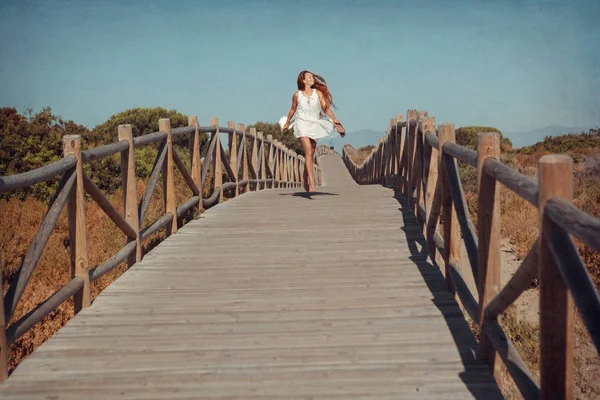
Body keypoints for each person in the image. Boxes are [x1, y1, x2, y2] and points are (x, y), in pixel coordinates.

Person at [281, 70, 345, 192]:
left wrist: (335, 120)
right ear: (303, 81)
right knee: (308, 151)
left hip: (315, 124)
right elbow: (292, 109)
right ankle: (311, 182)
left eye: (312, 77)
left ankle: (305, 176)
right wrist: (287, 122)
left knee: (311, 153)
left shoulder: (318, 93)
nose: (312, 79)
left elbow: (325, 108)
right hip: (301, 124)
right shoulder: (297, 95)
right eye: (309, 77)